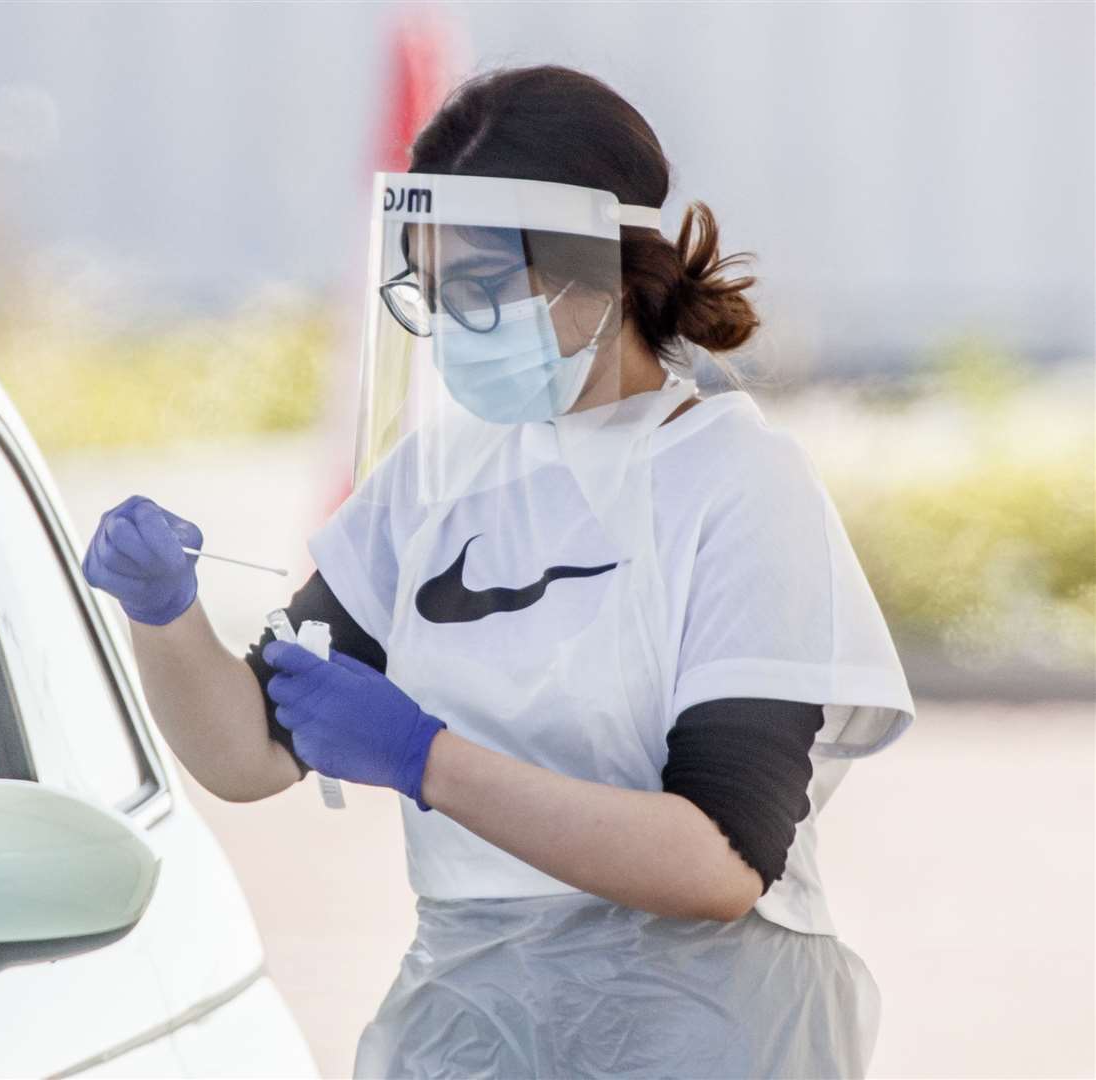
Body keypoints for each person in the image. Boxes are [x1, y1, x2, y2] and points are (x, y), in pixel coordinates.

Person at [83, 65, 914, 1079]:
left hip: (706, 1029)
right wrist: (167, 618)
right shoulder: (435, 476)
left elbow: (716, 860)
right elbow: (248, 754)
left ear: (597, 268)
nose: (453, 332)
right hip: (469, 1023)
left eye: (482, 289)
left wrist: (424, 761)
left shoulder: (735, 482)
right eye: (432, 295)